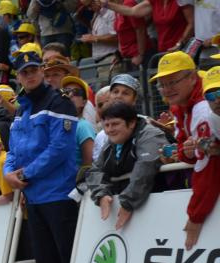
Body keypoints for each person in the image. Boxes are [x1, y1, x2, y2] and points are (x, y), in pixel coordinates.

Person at [3, 50, 79, 263]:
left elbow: (60, 150)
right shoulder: (21, 108)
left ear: (41, 71)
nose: (30, 74)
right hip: (33, 197)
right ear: (18, 76)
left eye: (34, 69)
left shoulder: (59, 102)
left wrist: (25, 174)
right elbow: (13, 149)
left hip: (59, 196)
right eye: (24, 71)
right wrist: (9, 173)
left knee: (65, 260)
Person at [151, 51, 220, 250]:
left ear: (192, 77)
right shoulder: (181, 104)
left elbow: (208, 166)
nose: (166, 89)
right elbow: (188, 151)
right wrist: (188, 152)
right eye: (162, 84)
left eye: (172, 82)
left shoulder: (203, 108)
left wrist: (196, 216)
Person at [85, 101, 167, 229]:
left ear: (132, 123)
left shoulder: (150, 134)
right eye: (106, 125)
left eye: (115, 124)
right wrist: (101, 194)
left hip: (159, 210)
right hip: (132, 209)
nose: (110, 130)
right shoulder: (111, 142)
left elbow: (145, 167)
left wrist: (127, 202)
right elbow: (94, 170)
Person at [106, 0, 194, 53]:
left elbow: (192, 23)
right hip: (163, 52)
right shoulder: (155, 1)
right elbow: (132, 11)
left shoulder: (181, 1)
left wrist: (179, 44)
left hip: (183, 50)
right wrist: (106, 4)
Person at [61, 76, 97, 171]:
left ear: (84, 102)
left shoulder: (83, 126)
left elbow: (88, 166)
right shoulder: (56, 124)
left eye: (77, 92)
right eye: (66, 91)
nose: (71, 94)